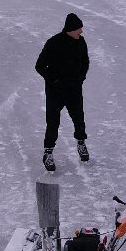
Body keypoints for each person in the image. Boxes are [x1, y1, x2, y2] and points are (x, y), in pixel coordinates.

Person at [35, 12, 90, 171]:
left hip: (74, 89)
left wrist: (81, 77)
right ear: (70, 29)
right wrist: (54, 80)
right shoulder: (54, 43)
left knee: (79, 119)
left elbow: (85, 61)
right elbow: (39, 66)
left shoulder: (81, 41)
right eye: (79, 29)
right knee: (53, 123)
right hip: (56, 92)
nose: (81, 32)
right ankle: (48, 152)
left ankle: (81, 143)